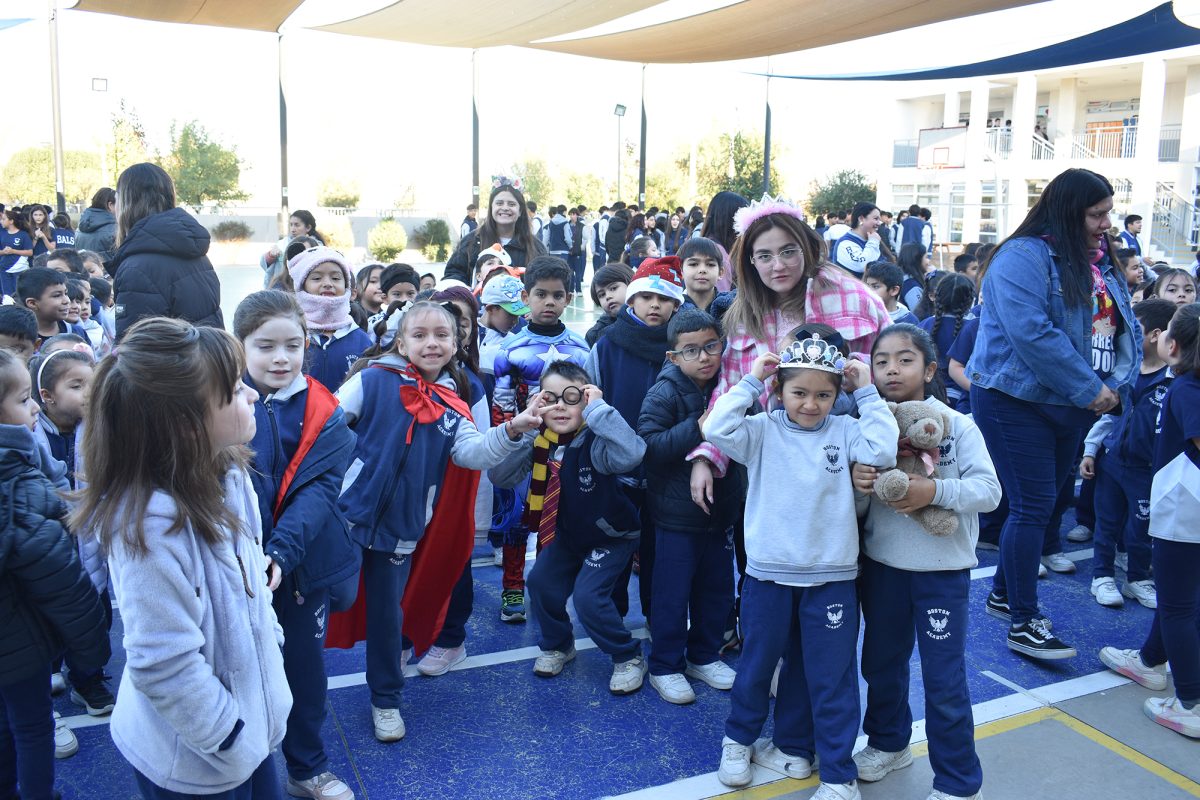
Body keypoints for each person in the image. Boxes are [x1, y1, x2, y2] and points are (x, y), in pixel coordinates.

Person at [72, 318, 291, 798]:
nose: (250, 394)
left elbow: (250, 582)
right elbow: (163, 663)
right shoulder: (149, 527)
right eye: (234, 390)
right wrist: (228, 737)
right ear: (187, 426)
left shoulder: (229, 474)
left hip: (245, 735)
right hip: (200, 758)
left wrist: (269, 653)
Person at [334, 302, 543, 742]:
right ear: (401, 341)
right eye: (420, 335)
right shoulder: (371, 381)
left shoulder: (453, 400)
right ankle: (292, 690)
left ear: (456, 342)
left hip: (401, 530)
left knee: (389, 617)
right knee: (322, 602)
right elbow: (327, 426)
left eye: (441, 335)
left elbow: (472, 454)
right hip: (344, 521)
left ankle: (386, 701)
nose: (431, 343)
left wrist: (514, 428)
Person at [706, 336, 896, 797]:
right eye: (799, 393)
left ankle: (837, 774)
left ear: (838, 394)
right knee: (756, 666)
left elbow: (884, 451)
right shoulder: (760, 430)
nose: (811, 404)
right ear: (779, 391)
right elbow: (715, 428)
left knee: (832, 680)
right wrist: (751, 380)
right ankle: (739, 740)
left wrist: (867, 391)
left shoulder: (847, 429)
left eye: (824, 394)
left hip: (830, 579)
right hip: (767, 577)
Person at [968, 168, 1139, 661]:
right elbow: (1033, 334)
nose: (1107, 223)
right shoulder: (1022, 257)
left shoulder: (1100, 262)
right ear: (1067, 211)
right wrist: (1092, 390)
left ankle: (1004, 594)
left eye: (1108, 212)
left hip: (1077, 402)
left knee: (1046, 505)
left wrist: (1113, 388)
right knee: (1032, 507)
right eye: (1096, 214)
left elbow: (1118, 329)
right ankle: (1024, 620)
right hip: (1015, 400)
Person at [850, 324, 1000, 800]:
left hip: (942, 575)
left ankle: (958, 782)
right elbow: (855, 510)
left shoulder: (958, 425)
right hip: (883, 569)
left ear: (930, 368)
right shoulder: (867, 427)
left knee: (943, 678)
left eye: (905, 359)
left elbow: (990, 492)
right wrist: (856, 485)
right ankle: (889, 743)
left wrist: (932, 490)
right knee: (880, 664)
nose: (892, 368)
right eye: (881, 361)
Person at [232, 291, 359, 800]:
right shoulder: (216, 403)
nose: (281, 358)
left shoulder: (325, 410)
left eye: (293, 345)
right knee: (239, 668)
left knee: (304, 673)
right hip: (236, 565)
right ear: (239, 346)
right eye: (265, 346)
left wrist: (280, 553)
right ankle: (245, 763)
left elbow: (317, 492)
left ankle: (306, 766)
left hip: (300, 566)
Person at [489, 361, 648, 693]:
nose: (560, 405)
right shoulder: (539, 442)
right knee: (541, 583)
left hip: (611, 535)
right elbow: (499, 477)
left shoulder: (597, 441)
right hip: (568, 534)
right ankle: (559, 644)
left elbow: (633, 454)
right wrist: (522, 430)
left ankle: (627, 655)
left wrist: (600, 410)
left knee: (589, 599)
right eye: (551, 398)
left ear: (586, 402)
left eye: (572, 397)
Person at [0, 348, 110, 800]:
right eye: (24, 401)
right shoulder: (21, 483)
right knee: (31, 726)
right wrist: (91, 646)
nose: (32, 411)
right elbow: (61, 580)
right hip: (20, 639)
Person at [1099, 301, 1200, 739]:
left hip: (1185, 509)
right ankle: (1149, 661)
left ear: (1171, 344)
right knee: (1179, 596)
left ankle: (1191, 703)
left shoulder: (1185, 388)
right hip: (1184, 508)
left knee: (1178, 606)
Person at [638, 309, 741, 705]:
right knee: (671, 593)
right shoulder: (664, 392)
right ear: (673, 357)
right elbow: (649, 448)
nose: (704, 357)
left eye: (711, 346)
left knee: (716, 590)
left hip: (721, 513)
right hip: (676, 516)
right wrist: (698, 427)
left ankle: (703, 656)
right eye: (691, 350)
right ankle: (665, 664)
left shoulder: (730, 386)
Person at [586, 257, 685, 623]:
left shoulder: (684, 348)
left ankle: (659, 622)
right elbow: (592, 405)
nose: (654, 305)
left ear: (677, 304)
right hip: (617, 472)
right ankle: (614, 630)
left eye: (663, 299)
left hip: (667, 472)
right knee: (614, 551)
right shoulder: (607, 347)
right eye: (645, 297)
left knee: (659, 556)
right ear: (631, 301)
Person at [492, 258, 590, 622]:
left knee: (566, 514)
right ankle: (513, 586)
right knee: (518, 515)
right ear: (525, 296)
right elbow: (501, 405)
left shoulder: (581, 347)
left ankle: (556, 585)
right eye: (540, 294)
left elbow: (591, 399)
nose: (549, 302)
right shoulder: (510, 349)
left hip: (570, 448)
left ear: (568, 299)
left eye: (557, 295)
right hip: (526, 445)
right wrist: (514, 436)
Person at [1083, 298, 1176, 610]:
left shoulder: (1174, 380)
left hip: (1146, 471)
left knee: (1140, 529)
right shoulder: (1125, 372)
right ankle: (1101, 576)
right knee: (1106, 524)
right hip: (1112, 463)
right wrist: (1090, 450)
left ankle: (1136, 578)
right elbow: (1109, 418)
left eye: (1135, 327)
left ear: (1155, 335)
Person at [107, 163, 223, 341]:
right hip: (205, 362)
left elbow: (136, 352)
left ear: (126, 202)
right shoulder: (193, 252)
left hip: (175, 367)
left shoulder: (137, 268)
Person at [287, 247, 371, 393]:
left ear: (347, 287)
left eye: (336, 278)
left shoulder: (362, 340)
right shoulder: (290, 334)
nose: (327, 283)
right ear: (301, 285)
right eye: (317, 278)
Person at [443, 183, 548, 284]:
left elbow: (546, 280)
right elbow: (453, 275)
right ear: (491, 207)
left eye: (511, 204)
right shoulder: (471, 242)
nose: (505, 208)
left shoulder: (536, 247)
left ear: (520, 211)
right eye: (499, 203)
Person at [919, 273, 977, 409]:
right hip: (964, 396)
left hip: (927, 395)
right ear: (969, 301)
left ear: (937, 297)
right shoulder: (973, 328)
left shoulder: (924, 325)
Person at [16, 268, 85, 350]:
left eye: (66, 293)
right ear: (32, 303)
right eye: (57, 295)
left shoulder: (77, 333)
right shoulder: (19, 339)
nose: (67, 301)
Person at [260, 211, 324, 290]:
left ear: (308, 228)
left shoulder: (317, 247)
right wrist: (270, 255)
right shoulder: (282, 244)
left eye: (297, 225)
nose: (293, 229)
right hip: (283, 289)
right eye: (291, 225)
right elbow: (264, 264)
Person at [679, 238, 735, 321]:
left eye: (710, 264)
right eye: (693, 264)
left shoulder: (732, 308)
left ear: (720, 272)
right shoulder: (673, 308)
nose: (702, 270)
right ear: (681, 271)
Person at [586, 263, 633, 346]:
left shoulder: (650, 321)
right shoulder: (595, 335)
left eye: (613, 288)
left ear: (631, 284)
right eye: (602, 295)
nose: (608, 296)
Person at [831, 202, 882, 277]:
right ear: (861, 219)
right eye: (876, 219)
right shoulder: (845, 243)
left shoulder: (872, 239)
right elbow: (861, 266)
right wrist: (873, 242)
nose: (879, 223)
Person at [72, 188, 117, 264]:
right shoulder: (115, 229)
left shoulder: (79, 228)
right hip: (109, 274)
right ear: (110, 205)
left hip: (86, 273)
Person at [0, 208, 33, 298]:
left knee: (19, 294)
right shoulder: (2, 234)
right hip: (4, 268)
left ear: (11, 221)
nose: (1, 221)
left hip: (19, 268)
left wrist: (13, 251)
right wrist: (3, 252)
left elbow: (29, 252)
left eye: (3, 219)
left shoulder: (23, 235)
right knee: (7, 295)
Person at [897, 243, 931, 312]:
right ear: (917, 260)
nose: (928, 261)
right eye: (926, 257)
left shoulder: (903, 279)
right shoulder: (912, 287)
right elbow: (920, 315)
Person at [541, 204, 572, 269]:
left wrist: (546, 251)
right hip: (563, 251)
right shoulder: (565, 222)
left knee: (554, 271)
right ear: (564, 212)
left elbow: (546, 238)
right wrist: (571, 247)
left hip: (552, 251)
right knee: (563, 270)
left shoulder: (551, 222)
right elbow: (568, 239)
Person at [567, 206, 586, 294]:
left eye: (574, 214)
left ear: (577, 215)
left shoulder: (582, 226)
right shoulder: (566, 225)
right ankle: (570, 290)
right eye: (570, 214)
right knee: (570, 271)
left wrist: (582, 246)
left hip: (578, 251)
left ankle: (578, 290)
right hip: (569, 252)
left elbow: (585, 238)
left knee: (578, 272)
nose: (572, 216)